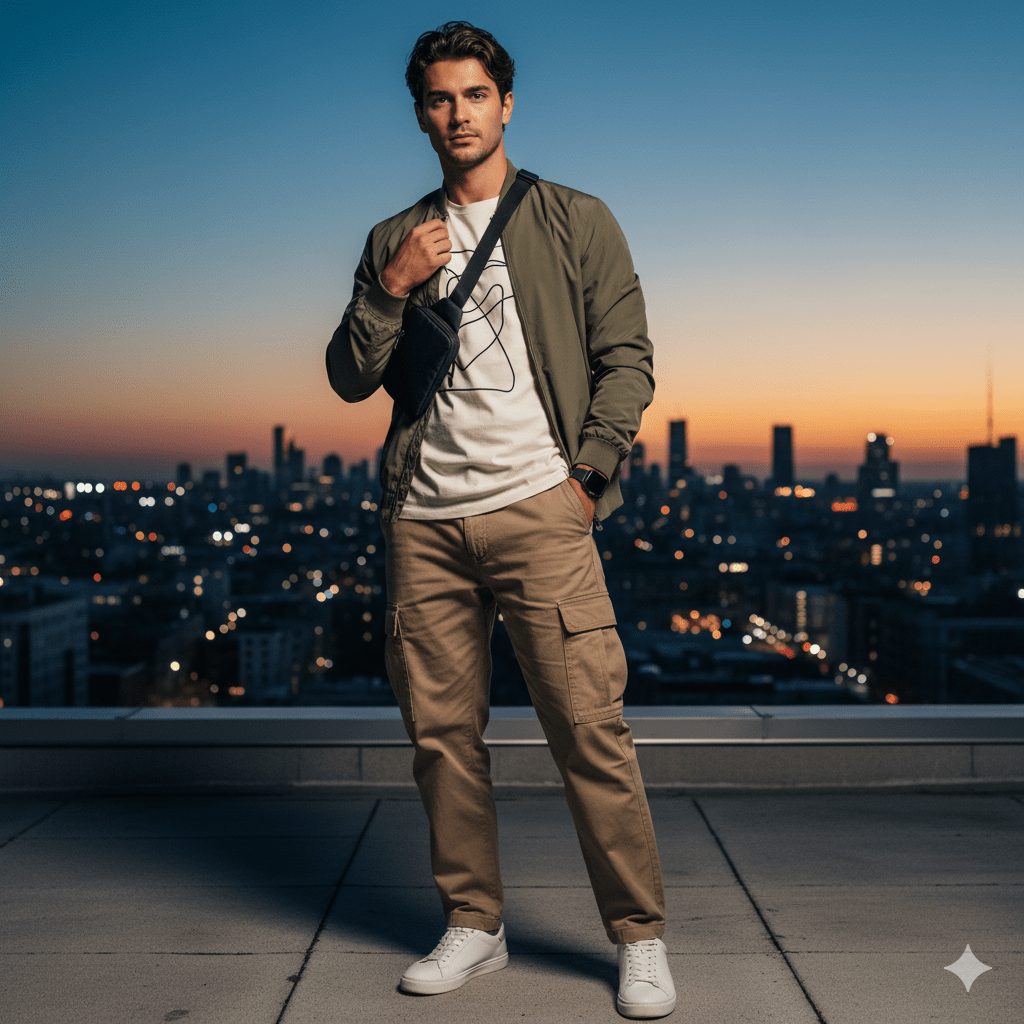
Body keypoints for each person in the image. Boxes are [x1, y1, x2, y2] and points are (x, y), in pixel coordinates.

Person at [326, 20, 675, 1020]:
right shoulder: (393, 238)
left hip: (540, 509)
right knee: (441, 738)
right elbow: (349, 375)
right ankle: (473, 925)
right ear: (419, 114)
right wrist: (392, 286)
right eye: (439, 98)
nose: (458, 114)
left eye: (474, 94)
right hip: (424, 519)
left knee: (589, 728)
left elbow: (627, 358)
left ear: (506, 104)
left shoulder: (575, 218)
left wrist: (586, 477)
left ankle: (639, 936)